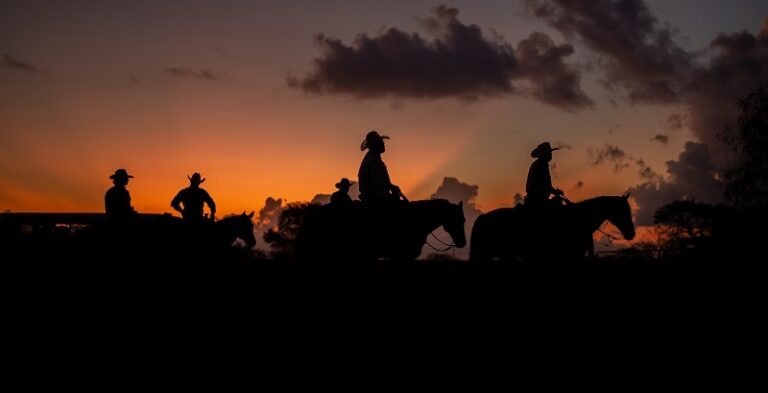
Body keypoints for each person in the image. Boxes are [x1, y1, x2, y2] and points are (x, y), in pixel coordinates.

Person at [357, 130, 403, 203]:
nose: (383, 143)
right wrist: (392, 189)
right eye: (381, 142)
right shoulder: (374, 161)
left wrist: (391, 186)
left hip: (373, 197)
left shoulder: (371, 158)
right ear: (376, 145)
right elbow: (378, 185)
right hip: (376, 200)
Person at [524, 142, 564, 208]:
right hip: (538, 201)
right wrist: (556, 192)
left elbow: (545, 185)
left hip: (533, 199)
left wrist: (555, 191)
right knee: (558, 203)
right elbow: (545, 186)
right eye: (549, 152)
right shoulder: (541, 165)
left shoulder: (538, 164)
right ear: (544, 154)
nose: (551, 154)